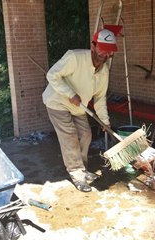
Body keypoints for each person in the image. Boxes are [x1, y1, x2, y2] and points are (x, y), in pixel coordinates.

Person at [42, 28, 118, 192]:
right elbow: (52, 75)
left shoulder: (103, 71)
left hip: (77, 106)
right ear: (93, 45)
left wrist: (105, 121)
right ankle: (76, 173)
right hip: (58, 101)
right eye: (102, 48)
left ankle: (82, 168)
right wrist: (70, 93)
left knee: (86, 134)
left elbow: (99, 98)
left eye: (109, 51)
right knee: (70, 136)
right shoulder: (75, 57)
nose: (105, 54)